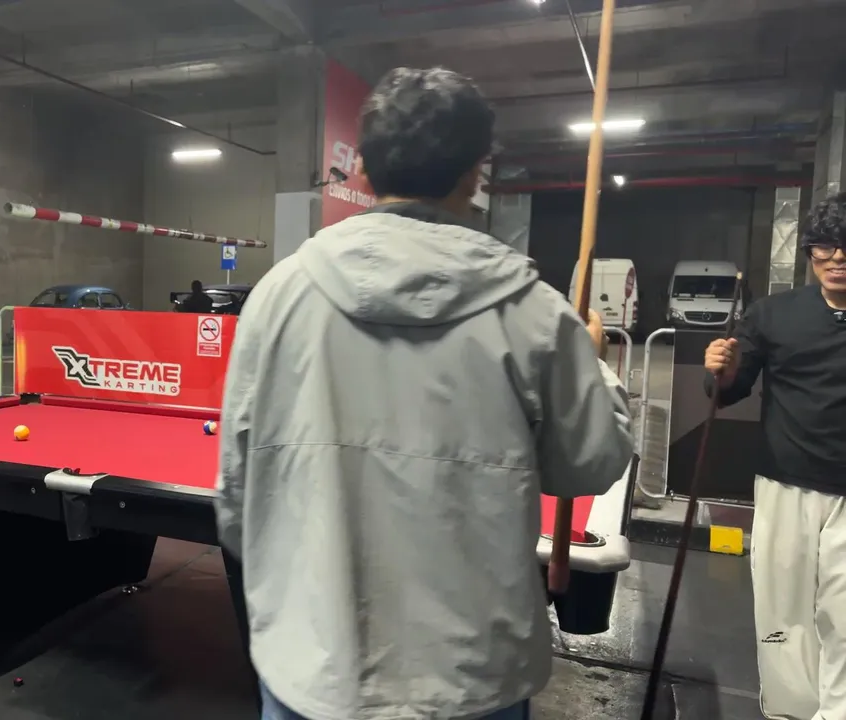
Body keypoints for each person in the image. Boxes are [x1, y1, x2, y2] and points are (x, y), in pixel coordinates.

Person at [214, 67, 634, 720]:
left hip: (312, 671)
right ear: (476, 172)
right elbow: (591, 462)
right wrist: (595, 362)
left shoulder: (276, 296)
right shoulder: (536, 314)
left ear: (362, 170)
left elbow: (237, 500)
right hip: (473, 682)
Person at [703, 192, 846, 720]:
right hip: (785, 484)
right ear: (809, 252)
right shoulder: (772, 314)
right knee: (782, 613)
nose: (837, 257)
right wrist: (720, 369)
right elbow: (729, 388)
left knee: (845, 616)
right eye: (824, 246)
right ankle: (790, 711)